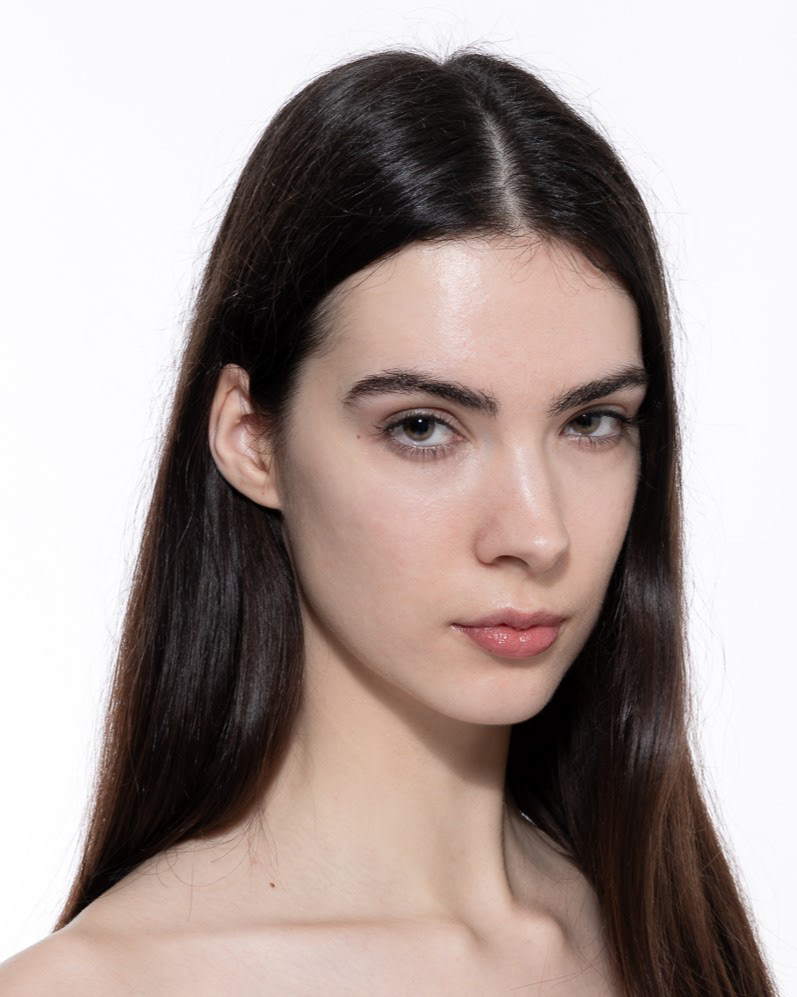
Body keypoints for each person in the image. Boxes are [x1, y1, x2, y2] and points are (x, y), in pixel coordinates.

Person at [0, 48, 776, 995]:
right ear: (251, 439)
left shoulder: (671, 936)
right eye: (422, 427)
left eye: (590, 421)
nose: (537, 534)